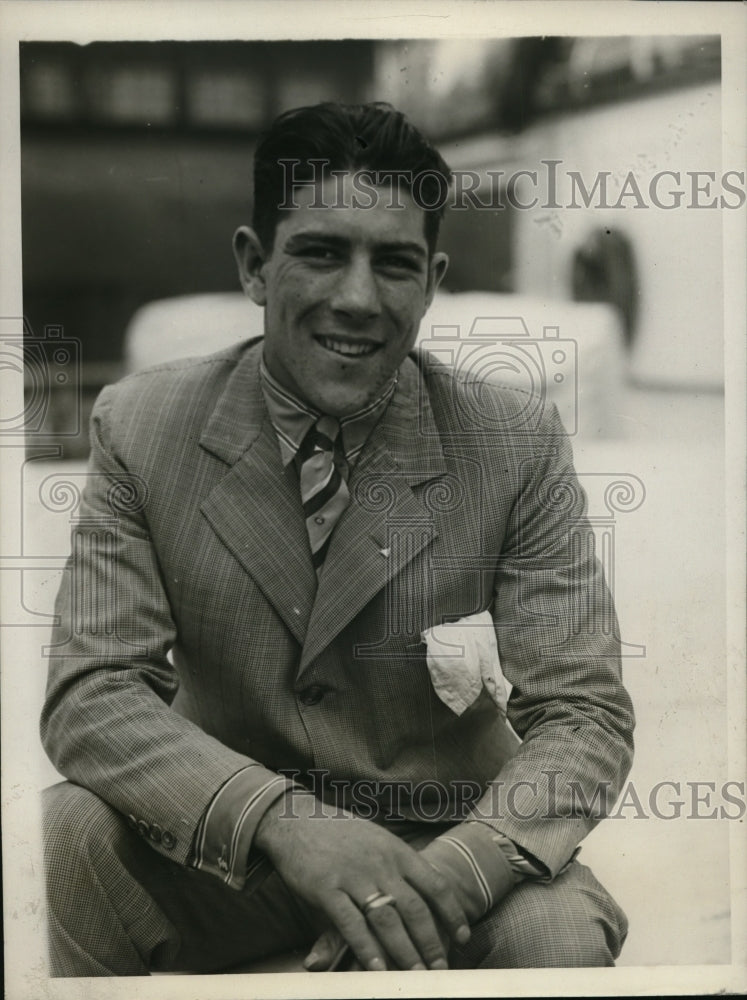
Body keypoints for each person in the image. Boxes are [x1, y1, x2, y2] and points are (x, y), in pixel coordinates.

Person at [41, 101, 634, 976]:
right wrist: (288, 823)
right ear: (254, 265)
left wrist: (457, 872)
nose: (356, 299)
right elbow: (92, 692)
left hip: (445, 844)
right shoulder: (143, 423)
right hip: (230, 850)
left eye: (392, 264)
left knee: (556, 935)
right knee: (72, 836)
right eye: (320, 252)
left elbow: (583, 714)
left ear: (430, 281)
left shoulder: (512, 439)